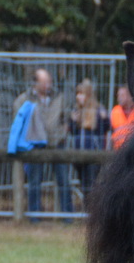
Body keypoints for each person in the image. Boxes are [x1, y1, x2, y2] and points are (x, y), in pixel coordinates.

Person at [14, 68, 70, 213]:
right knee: (34, 181)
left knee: (63, 180)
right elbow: (18, 118)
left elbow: (66, 117)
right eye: (44, 82)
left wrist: (63, 133)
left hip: (57, 143)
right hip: (34, 144)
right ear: (35, 83)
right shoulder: (24, 99)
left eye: (50, 81)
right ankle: (34, 214)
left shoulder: (59, 97)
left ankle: (67, 214)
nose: (48, 85)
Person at [70, 79, 110, 202]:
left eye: (81, 93)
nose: (78, 97)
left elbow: (105, 128)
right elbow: (73, 132)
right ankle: (86, 208)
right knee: (83, 184)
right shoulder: (76, 111)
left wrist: (104, 120)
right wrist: (73, 121)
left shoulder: (98, 110)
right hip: (78, 153)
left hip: (93, 154)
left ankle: (90, 209)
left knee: (91, 184)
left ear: (88, 95)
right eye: (77, 93)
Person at [110, 84, 134, 149]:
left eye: (122, 95)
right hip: (117, 149)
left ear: (129, 96)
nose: (119, 98)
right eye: (118, 95)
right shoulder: (115, 110)